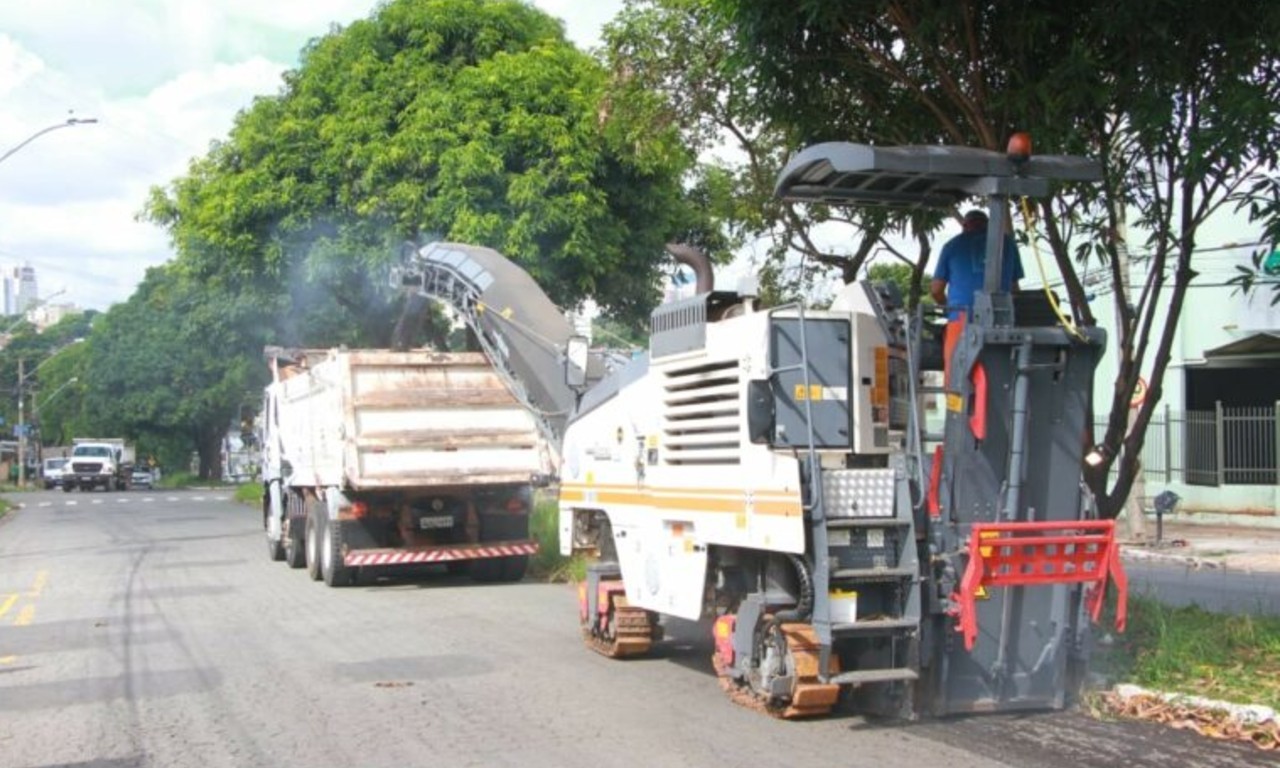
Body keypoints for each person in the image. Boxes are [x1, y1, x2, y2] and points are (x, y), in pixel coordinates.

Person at [930, 209, 1024, 380]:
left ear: (965, 226)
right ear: (988, 224)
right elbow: (1015, 288)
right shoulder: (1008, 245)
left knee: (956, 378)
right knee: (1001, 377)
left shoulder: (952, 246)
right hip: (1003, 322)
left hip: (961, 318)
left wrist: (947, 309)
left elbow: (936, 290)